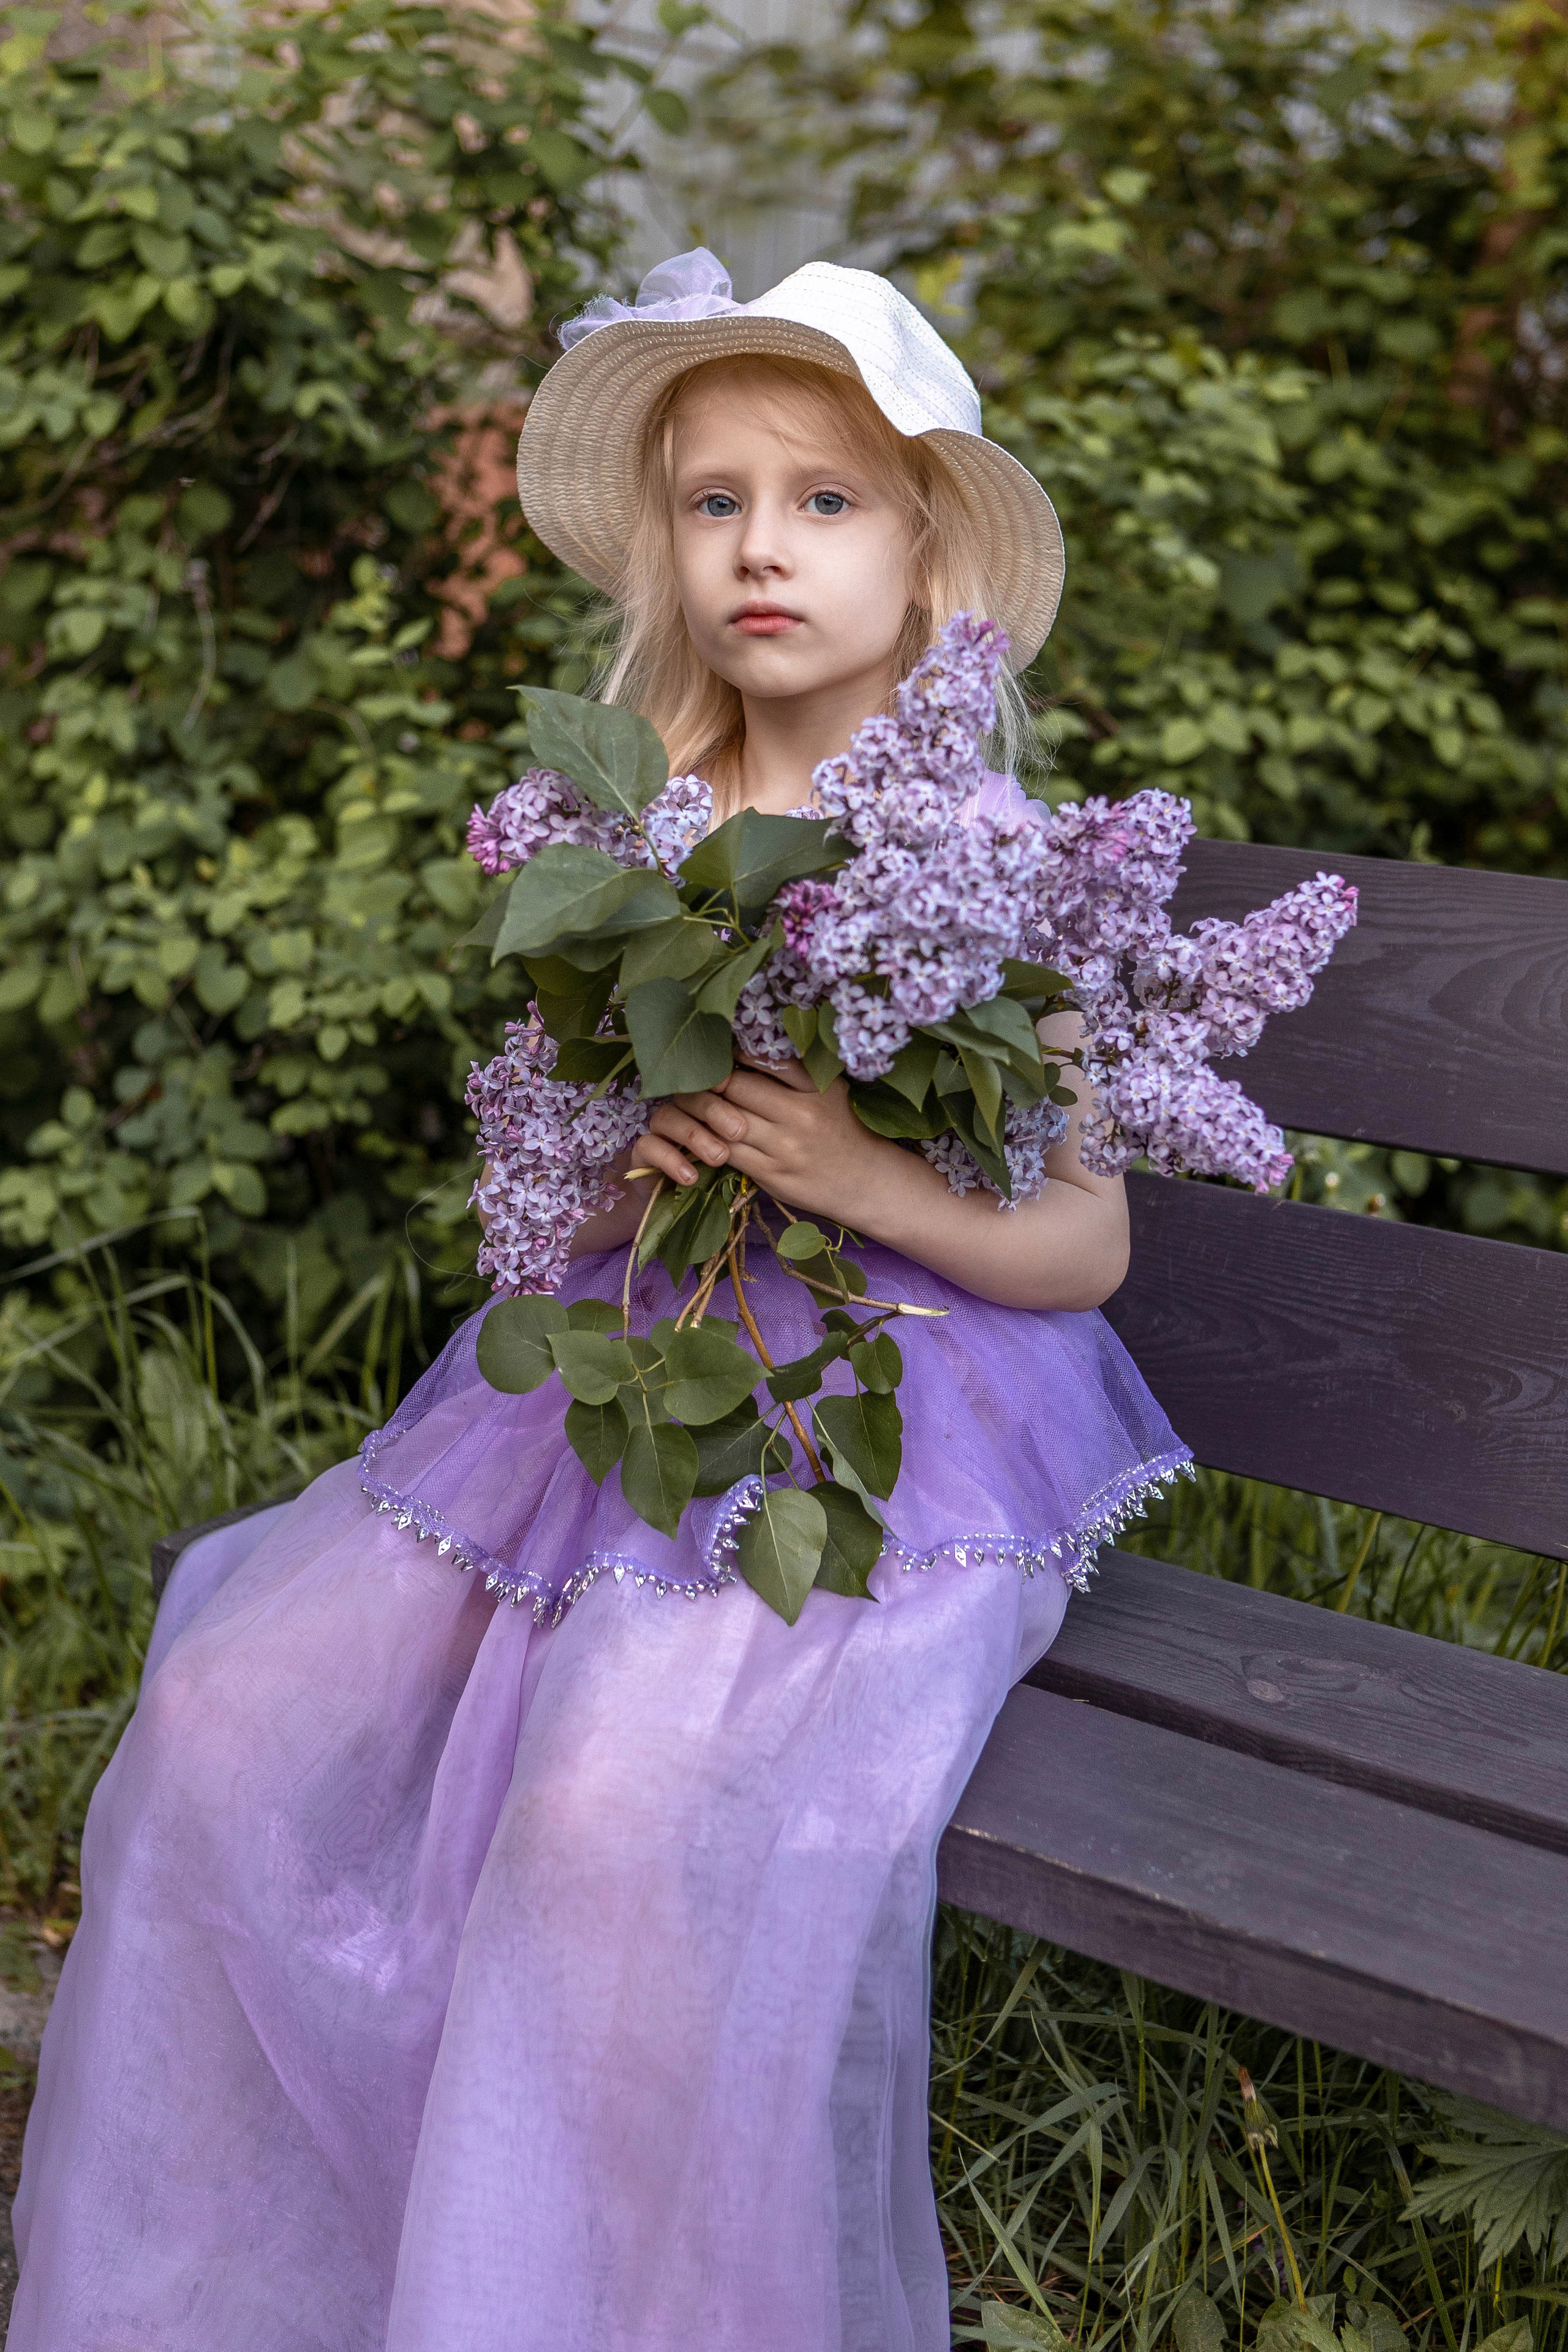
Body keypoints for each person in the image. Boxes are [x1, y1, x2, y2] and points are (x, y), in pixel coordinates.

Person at [9, 252, 1190, 2352]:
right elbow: (560, 1184)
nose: (762, 545)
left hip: (880, 1408)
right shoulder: (627, 824)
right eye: (717, 498)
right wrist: (619, 1161)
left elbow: (1083, 1244)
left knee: (603, 1810)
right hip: (614, 1389)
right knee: (225, 1717)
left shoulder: (994, 848)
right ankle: (260, 2286)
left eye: (826, 500)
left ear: (927, 555)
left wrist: (854, 1174)